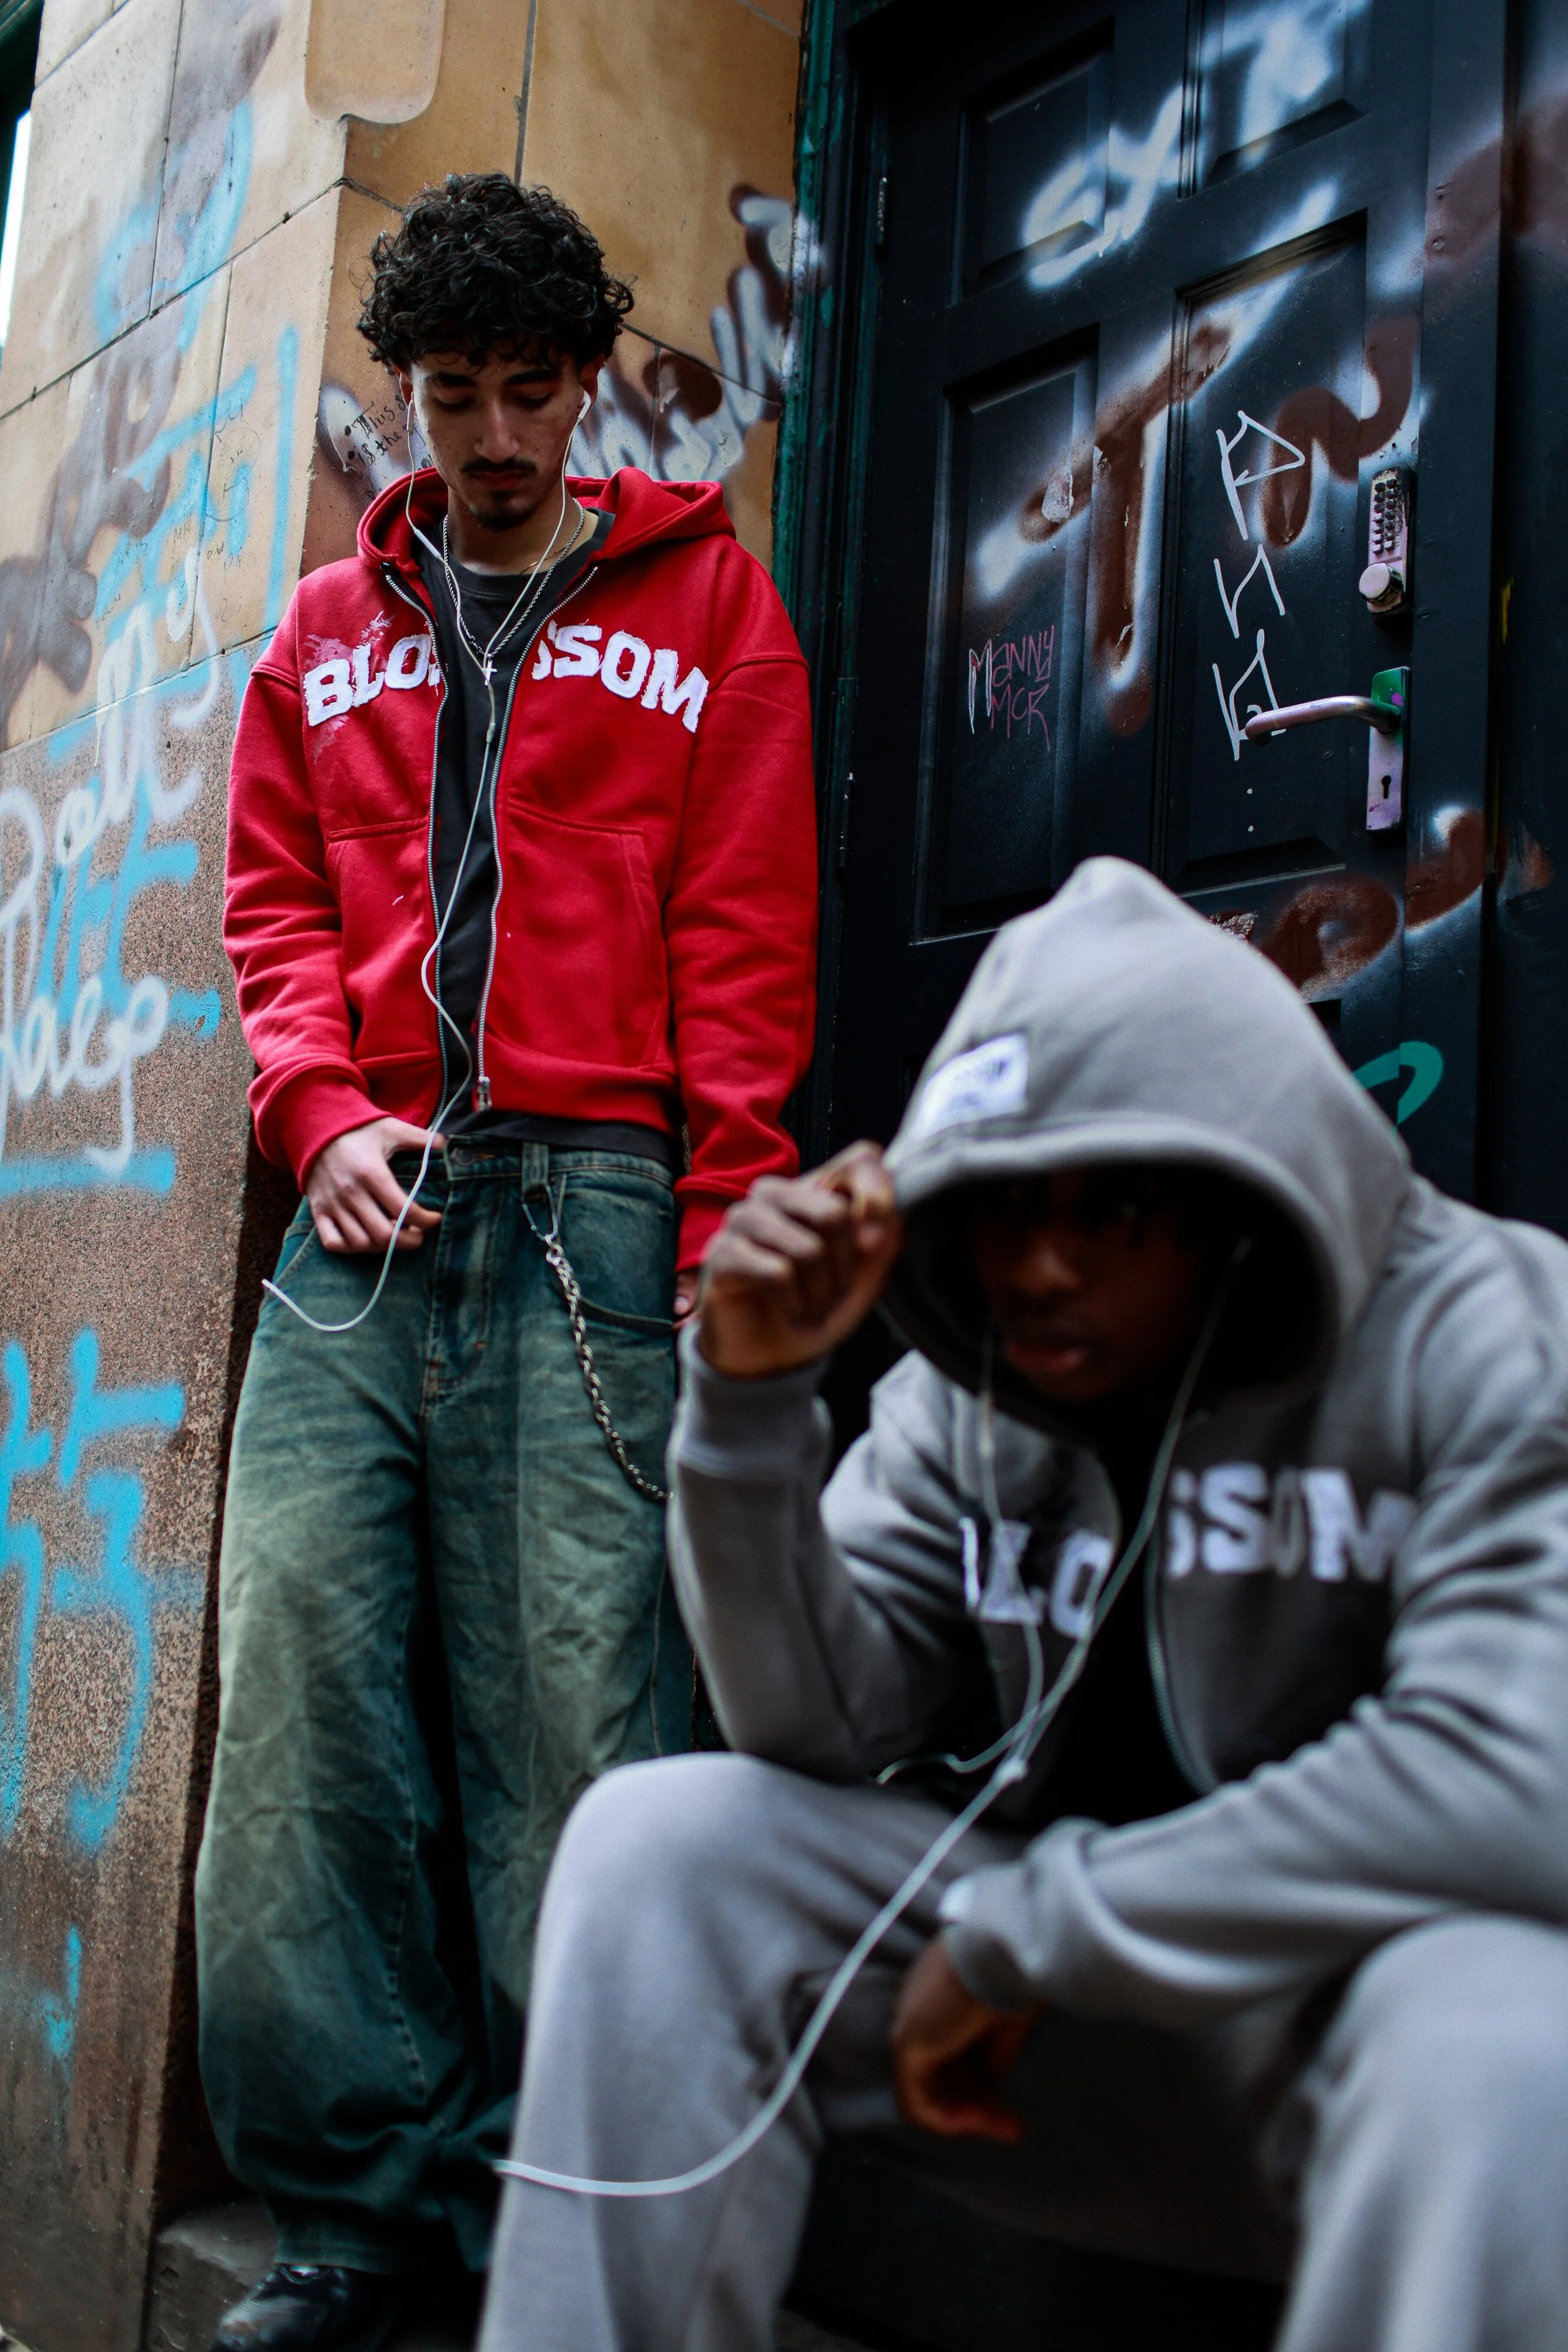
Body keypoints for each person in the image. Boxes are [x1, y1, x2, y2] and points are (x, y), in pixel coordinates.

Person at [480, 857, 1568, 2352]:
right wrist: (744, 1412)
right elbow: (813, 1726)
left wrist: (1026, 1933)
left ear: (1232, 1195)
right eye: (999, 1212)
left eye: (1112, 1208)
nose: (1040, 1270)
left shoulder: (1493, 1330)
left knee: (1509, 2038)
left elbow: (1514, 1781)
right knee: (663, 1848)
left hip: (1344, 2076)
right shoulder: (969, 1396)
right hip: (1030, 2061)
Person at [197, 172, 817, 2347]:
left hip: (599, 1207)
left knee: (581, 1706)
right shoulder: (318, 636)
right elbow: (272, 908)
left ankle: (550, 2212)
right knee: (297, 1682)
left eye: (527, 390)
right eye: (448, 392)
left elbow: (743, 946)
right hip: (369, 1217)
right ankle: (352, 2214)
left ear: (585, 392)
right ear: (409, 393)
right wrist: (314, 1110)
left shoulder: (713, 612)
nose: (487, 433)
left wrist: (730, 1241)